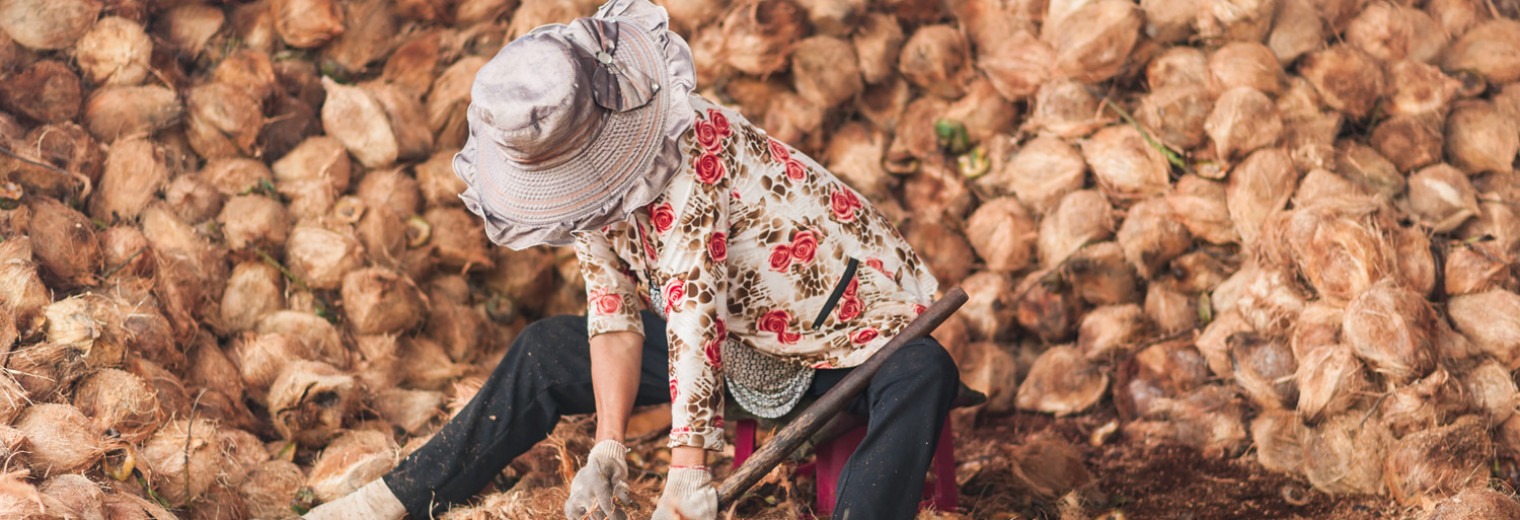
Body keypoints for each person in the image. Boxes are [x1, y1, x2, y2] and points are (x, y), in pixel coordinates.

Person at [302, 1, 960, 519]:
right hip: (727, 351)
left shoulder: (690, 151)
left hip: (836, 344)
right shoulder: (582, 183)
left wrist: (687, 470)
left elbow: (695, 311)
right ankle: (396, 498)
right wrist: (609, 444)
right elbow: (613, 312)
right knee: (544, 352)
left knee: (922, 368)